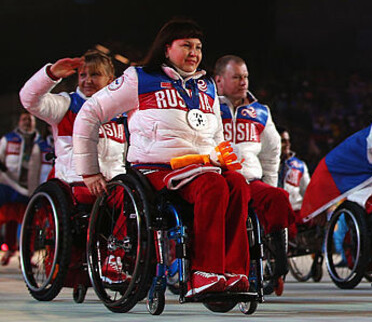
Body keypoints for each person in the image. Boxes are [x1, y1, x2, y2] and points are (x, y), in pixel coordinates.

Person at [73, 19, 250, 298]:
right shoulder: (139, 78)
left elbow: (215, 133)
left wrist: (221, 156)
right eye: (186, 46)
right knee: (213, 186)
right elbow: (89, 113)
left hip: (202, 167)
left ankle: (233, 271)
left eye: (198, 47)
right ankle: (204, 272)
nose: (194, 52)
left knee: (238, 183)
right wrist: (90, 171)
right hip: (155, 170)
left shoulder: (206, 87)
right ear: (167, 48)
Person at [215, 55, 296, 291]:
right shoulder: (206, 107)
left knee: (278, 197)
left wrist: (271, 184)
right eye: (237, 77)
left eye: (246, 77)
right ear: (219, 81)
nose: (243, 82)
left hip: (251, 180)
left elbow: (272, 153)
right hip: (217, 180)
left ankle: (277, 261)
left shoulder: (260, 111)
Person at [19, 51, 128, 204]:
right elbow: (28, 99)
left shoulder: (121, 112)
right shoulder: (66, 104)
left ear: (110, 80)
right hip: (75, 185)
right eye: (83, 75)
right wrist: (50, 75)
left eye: (95, 75)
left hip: (114, 185)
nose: (88, 80)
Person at [0, 112, 49, 264]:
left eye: (30, 119)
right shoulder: (7, 139)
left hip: (29, 188)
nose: (27, 122)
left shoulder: (42, 143)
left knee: (28, 221)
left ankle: (26, 254)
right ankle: (9, 249)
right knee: (5, 217)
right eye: (24, 119)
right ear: (18, 122)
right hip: (7, 185)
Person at [278, 130, 311, 214]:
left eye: (288, 141)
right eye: (283, 141)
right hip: (273, 211)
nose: (287, 144)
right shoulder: (265, 163)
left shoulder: (300, 165)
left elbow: (307, 192)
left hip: (295, 212)